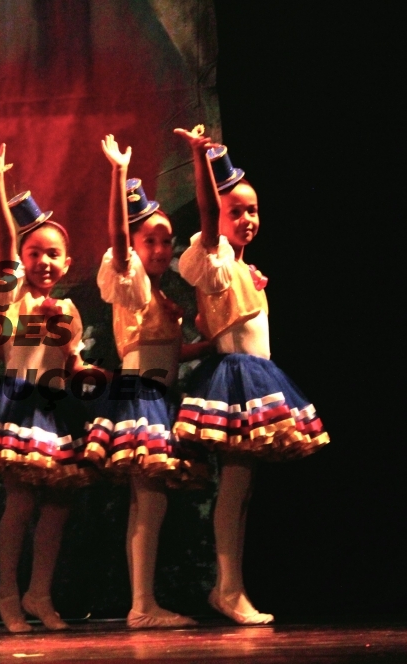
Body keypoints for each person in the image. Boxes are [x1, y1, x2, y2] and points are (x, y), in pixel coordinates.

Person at [174, 130, 329, 624]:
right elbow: (205, 214)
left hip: (259, 378)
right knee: (235, 487)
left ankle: (231, 586)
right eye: (235, 211)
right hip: (236, 381)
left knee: (243, 491)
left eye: (252, 211)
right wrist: (200, 159)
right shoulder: (213, 259)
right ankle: (228, 589)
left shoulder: (245, 269)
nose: (247, 219)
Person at [0, 136, 94, 632]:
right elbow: (3, 241)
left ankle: (39, 592)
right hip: (18, 407)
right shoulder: (13, 294)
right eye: (34, 252)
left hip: (55, 410)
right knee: (20, 503)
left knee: (58, 505)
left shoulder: (69, 310)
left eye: (52, 254)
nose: (43, 261)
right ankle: (6, 592)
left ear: (66, 263)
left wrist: (88, 372)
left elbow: (74, 362)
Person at [87, 134, 212, 628]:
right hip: (140, 398)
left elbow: (170, 353)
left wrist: (210, 345)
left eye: (166, 241)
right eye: (150, 241)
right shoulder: (131, 284)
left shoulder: (163, 298)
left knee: (151, 503)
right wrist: (119, 175)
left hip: (160, 397)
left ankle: (144, 602)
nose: (160, 249)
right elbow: (119, 244)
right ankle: (142, 605)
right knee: (149, 501)